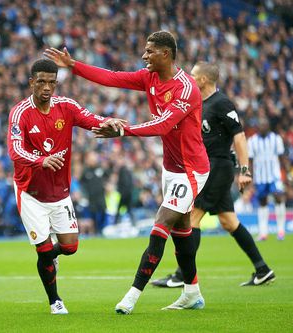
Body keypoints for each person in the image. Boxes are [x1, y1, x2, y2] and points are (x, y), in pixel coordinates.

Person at [45, 30, 210, 314]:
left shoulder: (186, 88)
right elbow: (112, 77)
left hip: (192, 170)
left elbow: (161, 125)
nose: (144, 56)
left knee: (160, 225)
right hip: (170, 169)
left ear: (165, 54)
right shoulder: (150, 78)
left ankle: (132, 296)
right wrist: (74, 66)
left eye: (150, 51)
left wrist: (123, 129)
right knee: (181, 231)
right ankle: (192, 292)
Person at [7, 59, 124, 314]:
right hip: (31, 193)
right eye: (41, 82)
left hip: (59, 191)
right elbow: (15, 150)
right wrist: (41, 160)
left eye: (51, 82)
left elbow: (89, 118)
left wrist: (107, 122)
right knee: (44, 248)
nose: (47, 87)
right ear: (31, 83)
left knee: (69, 247)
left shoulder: (66, 106)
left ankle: (51, 256)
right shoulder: (20, 113)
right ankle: (55, 301)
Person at [151, 61, 275, 288]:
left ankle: (182, 275)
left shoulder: (221, 103)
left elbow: (239, 136)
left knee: (192, 217)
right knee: (229, 222)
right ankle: (262, 268)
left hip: (218, 166)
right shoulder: (198, 102)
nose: (189, 77)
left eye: (194, 74)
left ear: (204, 80)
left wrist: (245, 171)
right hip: (209, 166)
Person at [247, 117, 286, 241]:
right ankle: (263, 232)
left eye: (265, 125)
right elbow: (251, 161)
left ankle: (281, 231)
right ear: (258, 127)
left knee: (278, 198)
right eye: (260, 125)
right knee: (262, 202)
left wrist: (286, 174)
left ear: (268, 126)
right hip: (260, 177)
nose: (263, 127)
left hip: (274, 176)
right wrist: (250, 177)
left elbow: (281, 158)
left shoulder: (276, 139)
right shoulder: (252, 141)